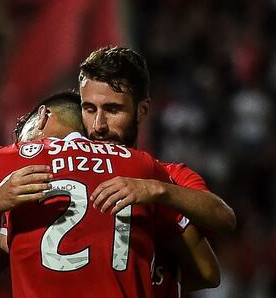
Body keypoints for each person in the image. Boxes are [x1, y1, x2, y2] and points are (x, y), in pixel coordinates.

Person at [0, 91, 217, 297]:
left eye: (21, 130)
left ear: (43, 116)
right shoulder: (142, 166)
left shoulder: (7, 161)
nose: (19, 140)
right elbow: (207, 271)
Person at [79, 46, 236, 296]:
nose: (99, 125)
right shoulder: (67, 175)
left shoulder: (168, 175)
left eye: (112, 109)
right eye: (89, 109)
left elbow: (224, 221)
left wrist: (156, 189)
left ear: (142, 109)